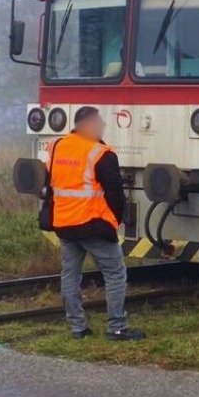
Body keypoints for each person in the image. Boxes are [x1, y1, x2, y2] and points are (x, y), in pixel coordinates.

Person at [46, 106, 145, 341]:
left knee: (70, 274)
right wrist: (114, 222)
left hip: (64, 223)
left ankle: (77, 328)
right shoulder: (101, 153)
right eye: (98, 123)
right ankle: (117, 328)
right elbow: (115, 193)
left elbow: (50, 181)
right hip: (93, 224)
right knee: (115, 274)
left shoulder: (57, 146)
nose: (101, 127)